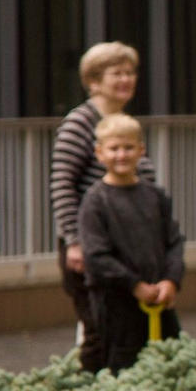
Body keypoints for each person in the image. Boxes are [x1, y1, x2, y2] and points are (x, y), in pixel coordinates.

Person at [51, 42, 156, 369]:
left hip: (126, 246)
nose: (126, 79)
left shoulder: (123, 123)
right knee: (97, 331)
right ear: (94, 81)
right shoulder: (80, 122)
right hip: (90, 247)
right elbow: (62, 183)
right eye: (117, 73)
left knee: (122, 332)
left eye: (130, 72)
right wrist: (74, 241)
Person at [78, 114, 183, 373]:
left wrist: (170, 281)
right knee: (123, 366)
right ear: (100, 153)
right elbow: (96, 256)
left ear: (141, 150)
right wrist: (134, 285)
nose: (121, 154)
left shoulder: (155, 195)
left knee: (170, 362)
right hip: (116, 306)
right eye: (114, 148)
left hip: (158, 300)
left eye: (128, 147)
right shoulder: (96, 201)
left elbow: (174, 242)